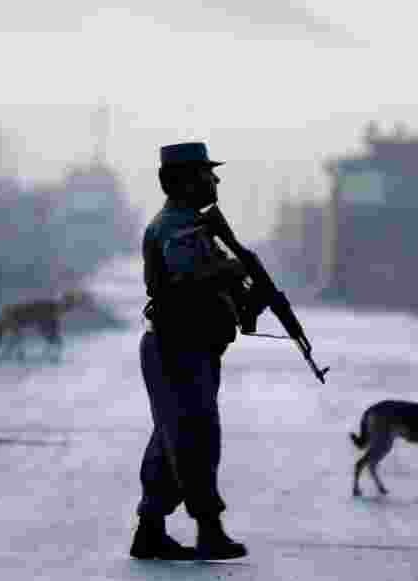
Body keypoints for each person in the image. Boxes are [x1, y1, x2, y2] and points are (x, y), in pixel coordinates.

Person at [130, 142, 261, 561]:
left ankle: (150, 530)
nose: (215, 180)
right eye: (207, 174)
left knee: (173, 437)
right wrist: (235, 268)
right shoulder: (178, 228)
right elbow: (190, 277)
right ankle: (209, 528)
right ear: (185, 181)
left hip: (190, 347)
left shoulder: (193, 226)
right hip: (178, 347)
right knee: (194, 439)